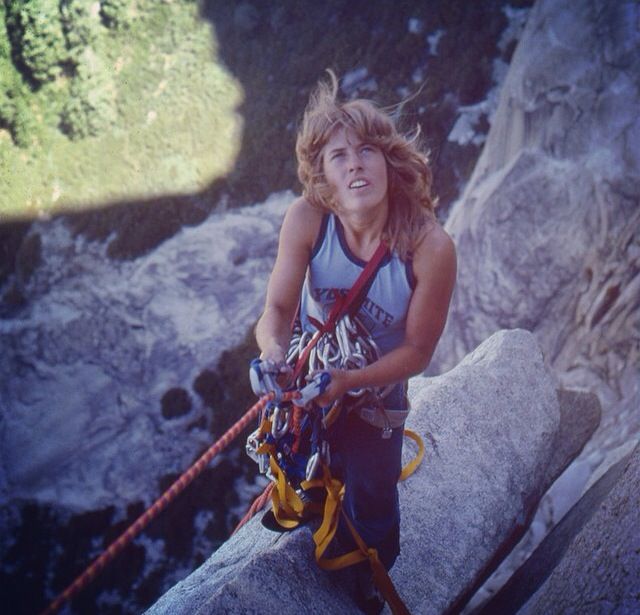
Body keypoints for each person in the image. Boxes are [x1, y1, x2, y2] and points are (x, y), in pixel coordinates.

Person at [254, 71, 456, 613]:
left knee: (373, 505)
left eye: (368, 150)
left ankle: (370, 575)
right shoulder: (307, 220)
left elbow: (416, 352)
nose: (355, 163)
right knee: (306, 474)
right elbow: (275, 312)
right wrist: (273, 354)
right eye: (339, 155)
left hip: (374, 400)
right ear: (322, 175)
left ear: (390, 162)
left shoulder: (428, 248)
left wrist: (348, 381)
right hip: (312, 377)